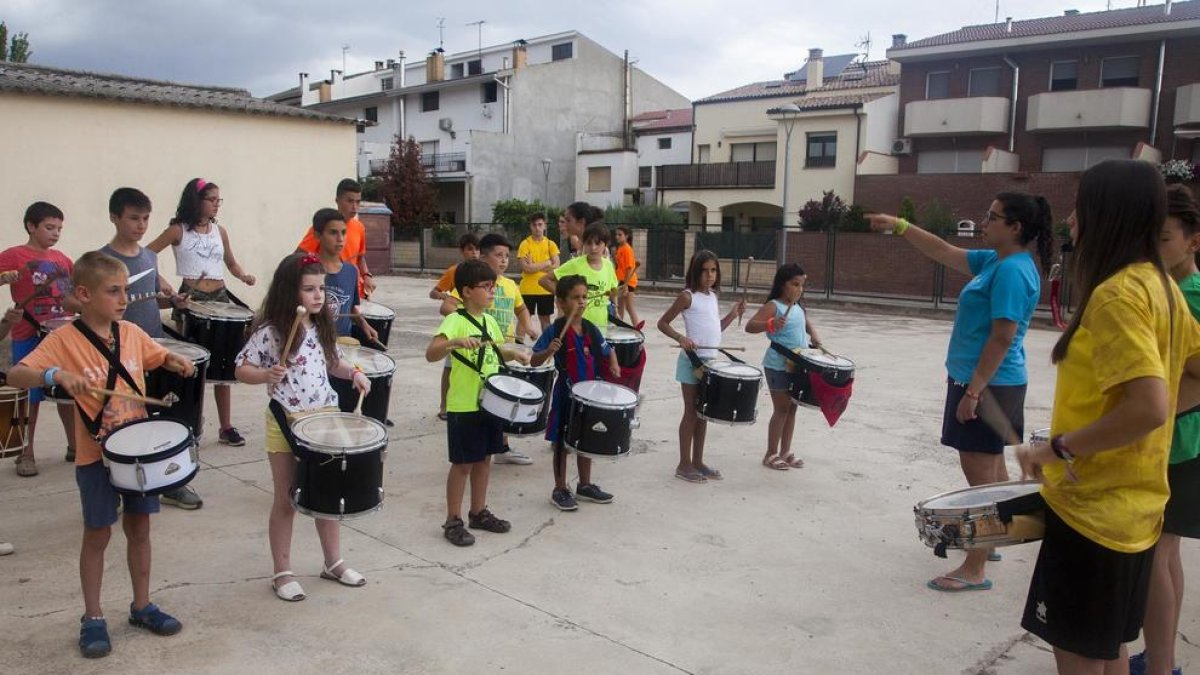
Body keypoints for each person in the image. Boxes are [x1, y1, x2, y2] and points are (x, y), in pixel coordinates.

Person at [1013, 160, 1200, 674]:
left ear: (1107, 215)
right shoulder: (1162, 287)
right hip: (1136, 510)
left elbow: (1148, 404)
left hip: (1095, 513)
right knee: (1108, 650)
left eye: (1081, 208)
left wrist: (1060, 448)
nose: (1070, 221)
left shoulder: (1119, 294)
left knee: (1079, 659)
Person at [7, 251, 197, 658]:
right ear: (84, 294)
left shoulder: (129, 332)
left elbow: (155, 354)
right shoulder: (64, 340)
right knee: (97, 533)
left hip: (139, 453)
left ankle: (142, 605)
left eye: (125, 290)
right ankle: (92, 616)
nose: (123, 298)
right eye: (113, 291)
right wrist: (53, 374)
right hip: (96, 457)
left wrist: (173, 358)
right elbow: (15, 373)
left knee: (140, 530)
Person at [867, 192, 1051, 592]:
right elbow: (944, 251)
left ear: (1015, 227)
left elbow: (1002, 337)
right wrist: (900, 226)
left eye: (993, 216)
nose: (985, 220)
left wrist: (974, 392)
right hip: (983, 381)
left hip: (989, 383)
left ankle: (975, 567)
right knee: (993, 469)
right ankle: (995, 540)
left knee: (980, 476)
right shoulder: (996, 261)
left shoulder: (1013, 271)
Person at [234, 253, 372, 601]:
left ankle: (333, 562)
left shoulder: (321, 325)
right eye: (309, 289)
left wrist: (354, 374)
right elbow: (241, 369)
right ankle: (282, 572)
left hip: (323, 417)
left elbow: (333, 362)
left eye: (321, 288)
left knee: (327, 493)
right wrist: (266, 375)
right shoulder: (271, 332)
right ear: (288, 292)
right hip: (285, 420)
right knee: (286, 498)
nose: (317, 295)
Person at [1131, 184, 1200, 675]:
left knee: (1154, 557)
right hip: (1178, 440)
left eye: (1167, 238)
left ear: (1194, 241)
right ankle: (1162, 657)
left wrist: (1148, 420)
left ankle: (1161, 668)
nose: (1157, 249)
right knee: (1167, 553)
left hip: (1176, 443)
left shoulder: (1188, 296)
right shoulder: (1170, 290)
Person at [101, 188, 198, 509]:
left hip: (152, 346)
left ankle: (169, 481)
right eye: (133, 218)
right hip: (117, 354)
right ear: (115, 217)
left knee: (161, 416)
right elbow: (80, 301)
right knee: (120, 421)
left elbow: (153, 298)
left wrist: (173, 300)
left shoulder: (149, 257)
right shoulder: (103, 261)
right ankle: (118, 481)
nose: (141, 226)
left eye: (145, 219)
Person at [425, 258, 529, 546]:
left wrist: (514, 354)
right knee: (462, 464)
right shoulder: (455, 320)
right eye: (486, 287)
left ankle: (478, 511)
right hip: (464, 405)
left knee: (485, 459)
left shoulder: (490, 321)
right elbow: (431, 353)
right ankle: (452, 519)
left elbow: (495, 353)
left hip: (490, 403)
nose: (492, 292)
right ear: (467, 291)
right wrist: (453, 343)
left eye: (493, 287)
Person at [147, 178, 256, 447]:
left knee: (223, 363)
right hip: (190, 299)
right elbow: (145, 254)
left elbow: (230, 262)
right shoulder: (177, 230)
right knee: (190, 364)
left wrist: (243, 276)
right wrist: (161, 283)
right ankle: (186, 424)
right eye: (211, 200)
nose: (216, 205)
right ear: (196, 201)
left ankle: (226, 426)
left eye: (219, 200)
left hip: (220, 297)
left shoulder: (221, 231)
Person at [440, 233, 538, 464]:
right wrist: (466, 325)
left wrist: (527, 326)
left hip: (498, 351)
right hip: (471, 350)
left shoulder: (511, 285)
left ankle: (501, 446)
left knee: (501, 396)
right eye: (498, 255)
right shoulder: (473, 282)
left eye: (507, 256)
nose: (504, 260)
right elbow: (447, 306)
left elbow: (521, 309)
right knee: (469, 393)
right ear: (483, 257)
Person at [0, 201, 81, 476]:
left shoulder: (63, 260)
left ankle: (74, 446)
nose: (55, 233)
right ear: (31, 226)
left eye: (59, 228)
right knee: (30, 398)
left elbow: (71, 297)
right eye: (49, 227)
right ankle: (26, 452)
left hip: (59, 335)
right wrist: (3, 278)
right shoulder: (14, 255)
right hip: (27, 333)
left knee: (66, 394)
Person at [531, 275, 621, 510]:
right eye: (575, 298)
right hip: (565, 394)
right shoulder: (556, 329)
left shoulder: (590, 329)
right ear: (561, 303)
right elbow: (534, 360)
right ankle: (559, 488)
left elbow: (606, 349)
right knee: (562, 443)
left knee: (586, 439)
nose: (581, 302)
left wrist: (613, 362)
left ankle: (585, 484)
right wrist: (547, 351)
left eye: (584, 297)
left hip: (589, 394)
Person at [658, 250, 745, 483]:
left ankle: (698, 461)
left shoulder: (713, 297)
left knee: (704, 413)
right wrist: (680, 339)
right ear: (695, 272)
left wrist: (733, 314)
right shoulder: (688, 296)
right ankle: (683, 464)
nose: (709, 275)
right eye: (705, 270)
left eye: (713, 270)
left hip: (711, 362)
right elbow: (662, 323)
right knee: (691, 412)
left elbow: (716, 328)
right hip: (692, 362)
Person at [745, 264, 822, 471]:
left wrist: (813, 335)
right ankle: (771, 453)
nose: (799, 289)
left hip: (798, 365)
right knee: (782, 409)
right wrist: (770, 324)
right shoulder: (774, 306)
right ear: (782, 284)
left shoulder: (797, 307)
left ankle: (786, 451)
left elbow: (805, 322)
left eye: (802, 285)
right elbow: (750, 326)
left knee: (793, 408)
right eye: (794, 284)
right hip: (777, 365)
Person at [297, 178, 375, 298]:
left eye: (358, 202)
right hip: (330, 294)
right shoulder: (323, 226)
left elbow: (359, 257)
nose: (355, 207)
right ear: (337, 201)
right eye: (350, 201)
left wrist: (367, 275)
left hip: (356, 293)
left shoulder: (359, 227)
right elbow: (298, 256)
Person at [431, 233, 480, 421]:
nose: (474, 253)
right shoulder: (455, 271)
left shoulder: (482, 271)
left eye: (477, 249)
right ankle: (444, 405)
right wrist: (444, 296)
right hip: (457, 326)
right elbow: (434, 292)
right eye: (470, 249)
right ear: (462, 251)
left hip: (477, 326)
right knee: (450, 366)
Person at [310, 208, 377, 343]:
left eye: (344, 233)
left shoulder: (351, 271)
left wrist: (364, 324)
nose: (340, 239)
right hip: (312, 346)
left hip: (343, 346)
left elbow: (351, 308)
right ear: (317, 235)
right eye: (333, 233)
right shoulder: (306, 270)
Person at [539, 223, 619, 330]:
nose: (593, 248)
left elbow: (613, 291)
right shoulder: (575, 264)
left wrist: (616, 308)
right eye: (589, 243)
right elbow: (544, 280)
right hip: (577, 328)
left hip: (600, 327)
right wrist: (565, 297)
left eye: (598, 243)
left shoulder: (608, 266)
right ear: (583, 243)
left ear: (606, 244)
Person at [518, 213, 560, 331]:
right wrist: (547, 263)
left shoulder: (550, 244)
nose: (537, 228)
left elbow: (556, 266)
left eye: (540, 224)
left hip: (546, 289)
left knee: (545, 320)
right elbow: (526, 268)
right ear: (530, 226)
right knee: (524, 319)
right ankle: (519, 346)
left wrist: (534, 265)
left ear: (545, 226)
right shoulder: (525, 244)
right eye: (534, 225)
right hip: (528, 289)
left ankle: (546, 346)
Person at [612, 226, 643, 329]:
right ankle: (619, 326)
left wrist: (625, 284)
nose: (617, 237)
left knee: (629, 306)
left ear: (626, 236)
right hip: (621, 280)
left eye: (620, 235)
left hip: (627, 281)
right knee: (620, 306)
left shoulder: (627, 249)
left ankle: (637, 327)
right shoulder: (620, 248)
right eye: (616, 234)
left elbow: (630, 268)